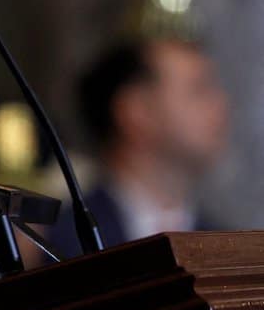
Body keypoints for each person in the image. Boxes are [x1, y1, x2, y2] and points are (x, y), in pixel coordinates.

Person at [63, 37, 230, 249]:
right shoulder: (56, 245)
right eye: (198, 90)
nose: (221, 106)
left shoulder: (225, 247)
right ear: (137, 112)